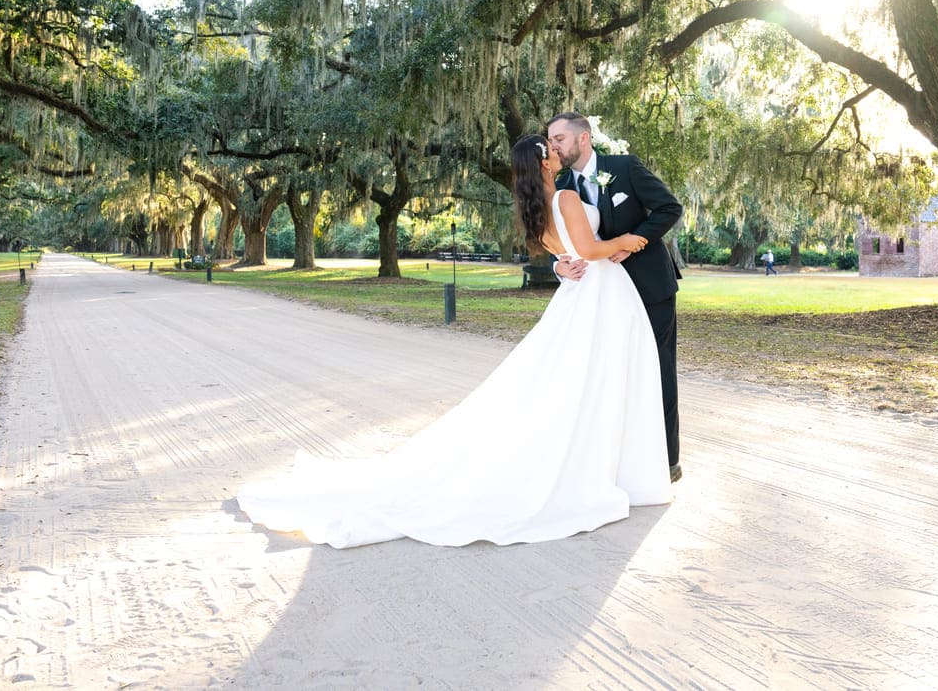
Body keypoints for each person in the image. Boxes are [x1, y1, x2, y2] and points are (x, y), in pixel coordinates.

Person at [236, 134, 672, 549]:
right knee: (599, 380)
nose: (558, 149)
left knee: (579, 382)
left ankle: (602, 463)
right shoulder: (565, 198)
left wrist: (566, 266)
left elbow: (565, 256)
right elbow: (589, 251)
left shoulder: (537, 212)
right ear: (544, 161)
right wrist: (627, 241)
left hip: (584, 297)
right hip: (598, 292)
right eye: (551, 147)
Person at [547, 112, 684, 483]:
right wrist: (557, 268)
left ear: (583, 138)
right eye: (551, 139)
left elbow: (670, 208)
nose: (553, 145)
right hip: (601, 297)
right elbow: (557, 239)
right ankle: (622, 461)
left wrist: (633, 244)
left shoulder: (623, 167)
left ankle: (668, 461)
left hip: (649, 286)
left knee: (657, 371)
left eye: (559, 138)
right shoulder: (560, 187)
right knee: (613, 376)